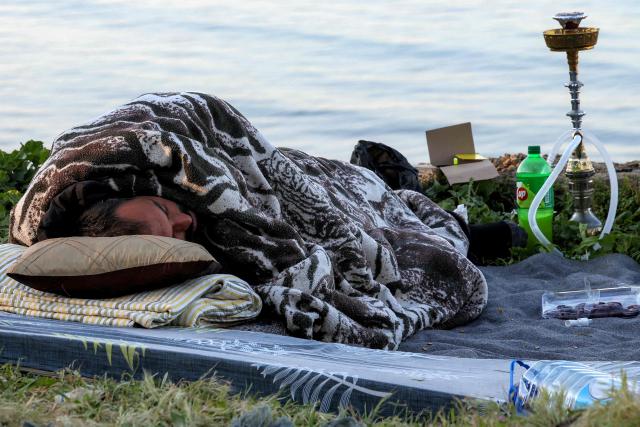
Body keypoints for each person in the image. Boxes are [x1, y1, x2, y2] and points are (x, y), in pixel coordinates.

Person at [10, 92, 489, 350]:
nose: (182, 219)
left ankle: (392, 172)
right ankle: (419, 188)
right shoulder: (180, 232)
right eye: (178, 234)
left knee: (362, 181)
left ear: (113, 199)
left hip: (307, 171)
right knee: (412, 221)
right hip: (341, 190)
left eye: (162, 212)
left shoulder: (105, 168)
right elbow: (269, 236)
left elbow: (204, 122)